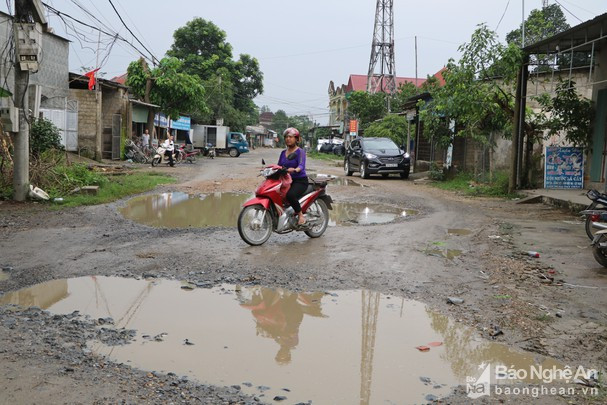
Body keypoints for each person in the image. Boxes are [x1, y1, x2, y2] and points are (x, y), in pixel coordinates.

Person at [278, 127, 307, 225]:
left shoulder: (300, 152)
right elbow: (279, 166)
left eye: (290, 137)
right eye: (286, 137)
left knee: (290, 195)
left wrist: (295, 169)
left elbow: (301, 165)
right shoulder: (283, 153)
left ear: (296, 139)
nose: (288, 139)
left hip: (299, 180)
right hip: (286, 180)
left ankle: (300, 215)